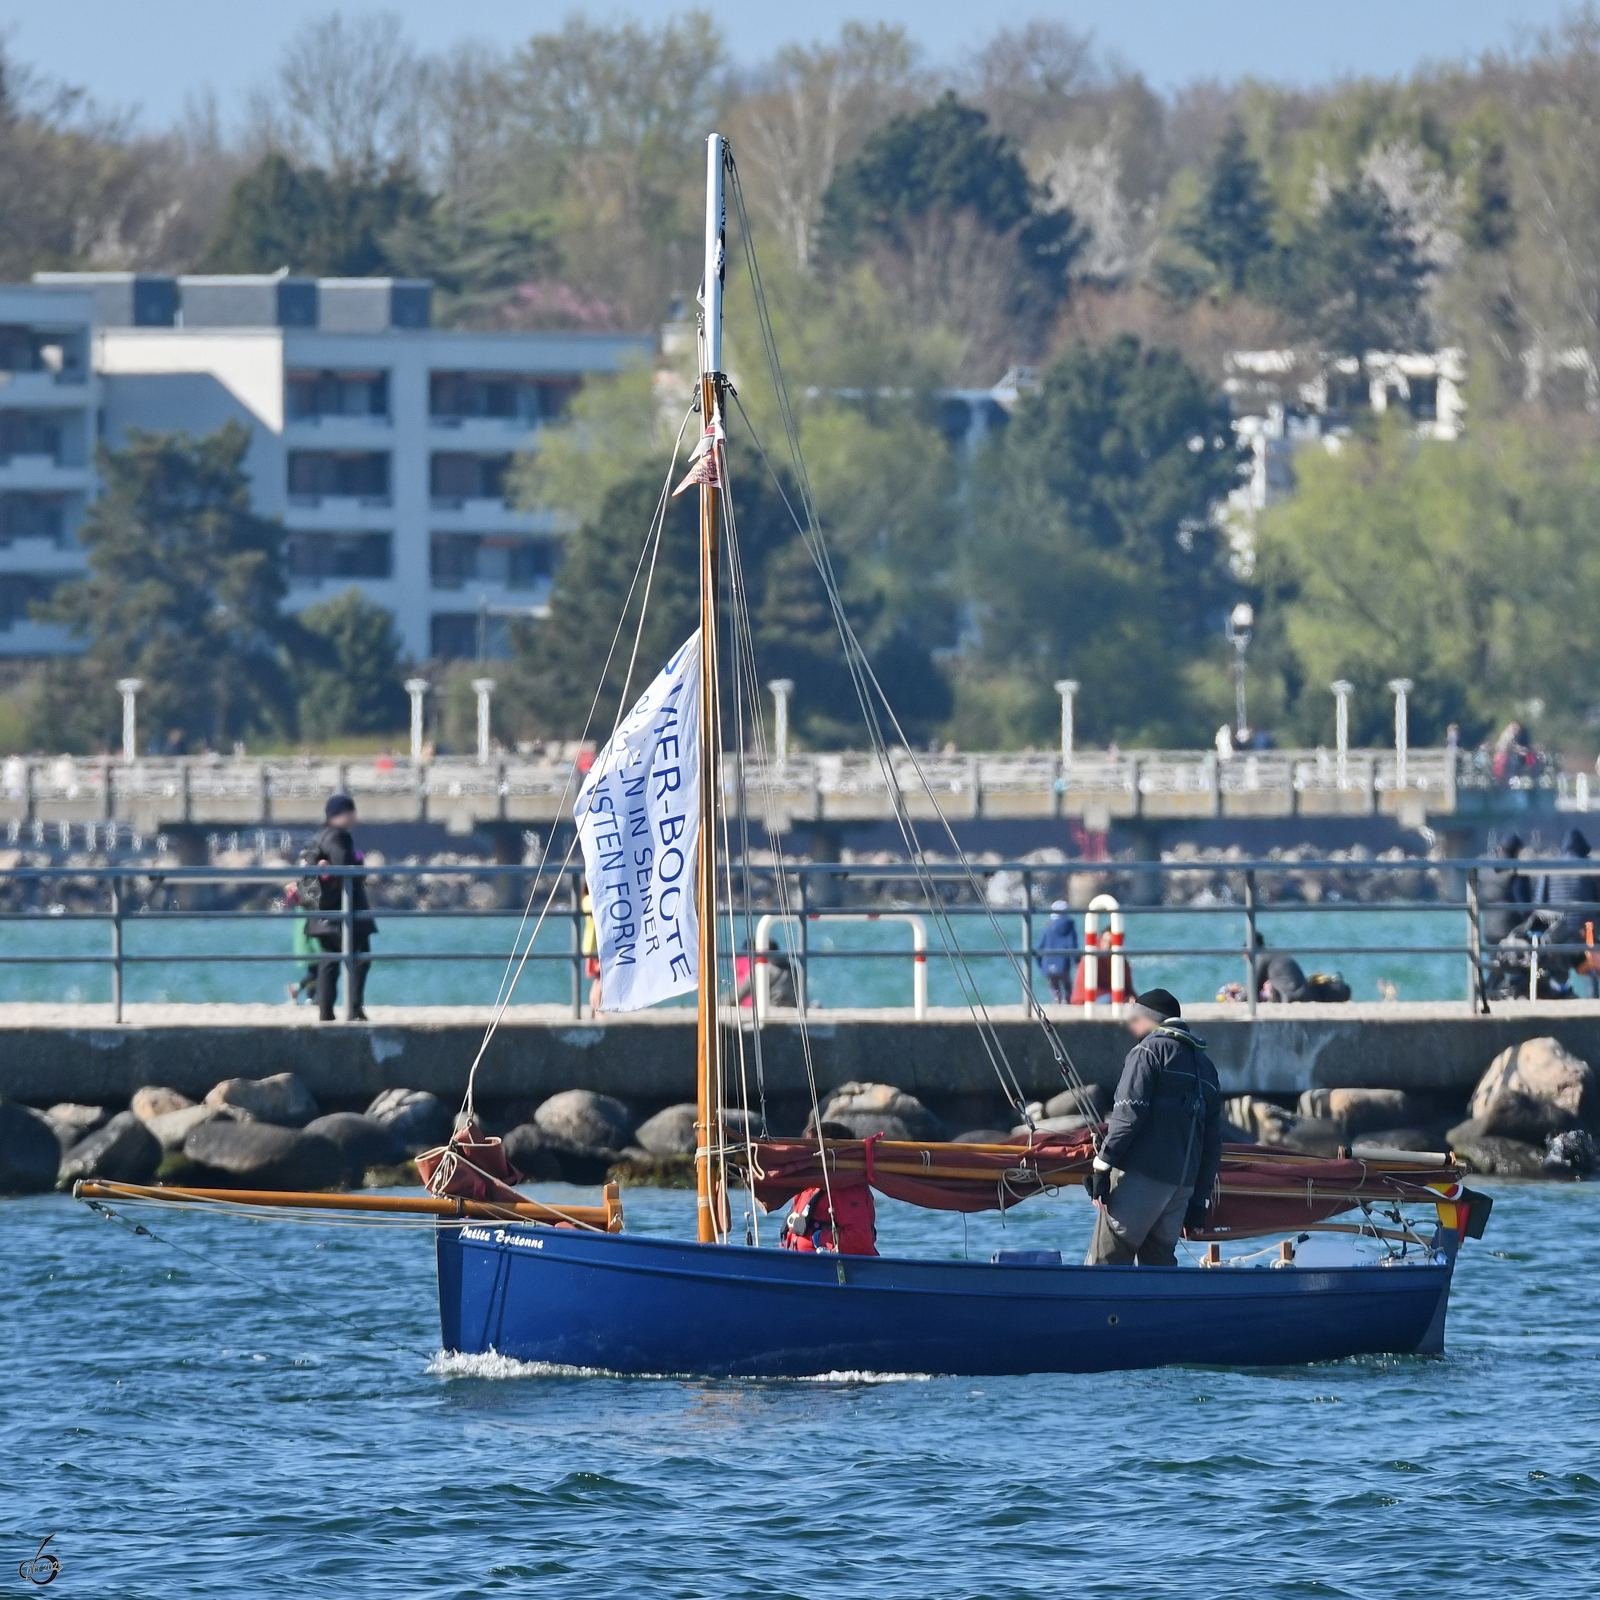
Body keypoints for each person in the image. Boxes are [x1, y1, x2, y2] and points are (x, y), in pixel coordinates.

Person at [1085, 988, 1222, 1266]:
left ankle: (1095, 1310)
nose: (1131, 1025)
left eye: (1134, 1018)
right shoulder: (1205, 1066)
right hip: (1182, 1185)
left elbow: (1128, 1117)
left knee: (1106, 1261)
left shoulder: (1147, 1052)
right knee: (1158, 1267)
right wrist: (1199, 1201)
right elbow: (1211, 1142)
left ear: (1150, 1018)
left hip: (1144, 1178)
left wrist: (1101, 1167)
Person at [305, 793, 376, 1022]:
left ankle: (325, 1011)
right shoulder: (338, 837)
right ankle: (354, 1009)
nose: (354, 817)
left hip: (319, 912)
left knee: (329, 960)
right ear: (342, 814)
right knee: (361, 957)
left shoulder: (317, 837)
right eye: (351, 812)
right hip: (342, 912)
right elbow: (348, 870)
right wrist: (360, 867)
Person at [1034, 900, 1079, 1004]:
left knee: (1054, 987)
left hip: (1048, 963)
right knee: (1067, 986)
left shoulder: (1048, 927)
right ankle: (1068, 1002)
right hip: (1063, 964)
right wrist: (1077, 961)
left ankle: (1057, 1002)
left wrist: (1041, 964)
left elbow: (1039, 948)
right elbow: (1072, 945)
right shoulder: (1069, 926)